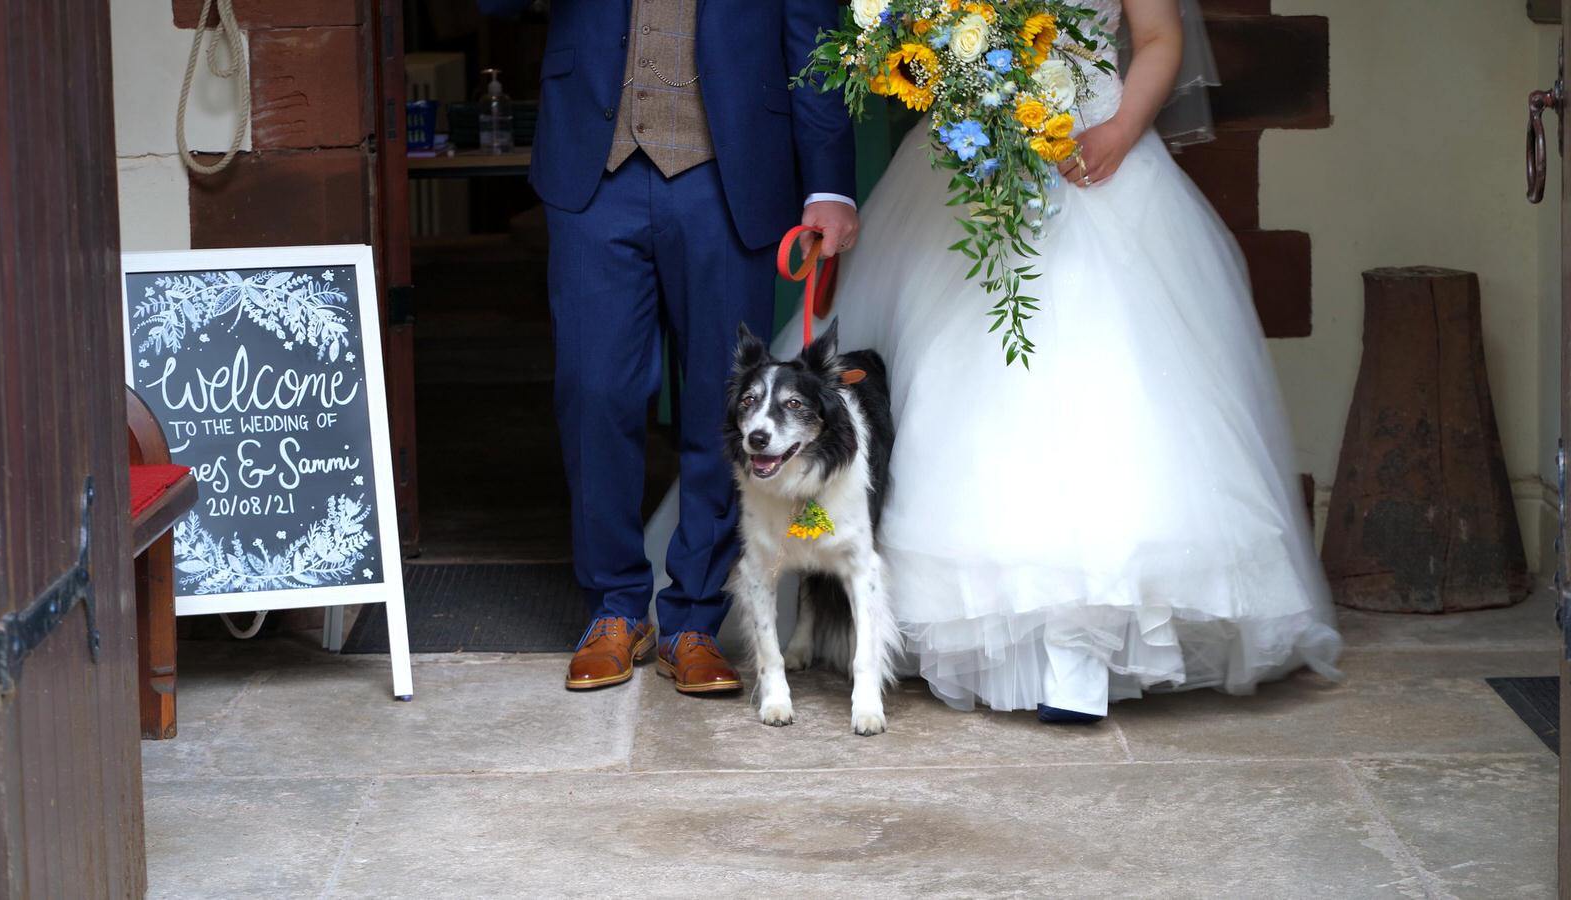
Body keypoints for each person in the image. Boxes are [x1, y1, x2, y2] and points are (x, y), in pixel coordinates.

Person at [769, 0, 1341, 722]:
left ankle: (1079, 661)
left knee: (1099, 390)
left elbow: (1159, 38)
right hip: (968, 160)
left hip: (1093, 157)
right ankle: (957, 634)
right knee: (964, 393)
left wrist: (1120, 130)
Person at [478, 0, 859, 694]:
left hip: (730, 168)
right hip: (594, 168)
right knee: (595, 391)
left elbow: (816, 41)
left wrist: (829, 182)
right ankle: (616, 609)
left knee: (729, 404)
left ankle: (694, 621)